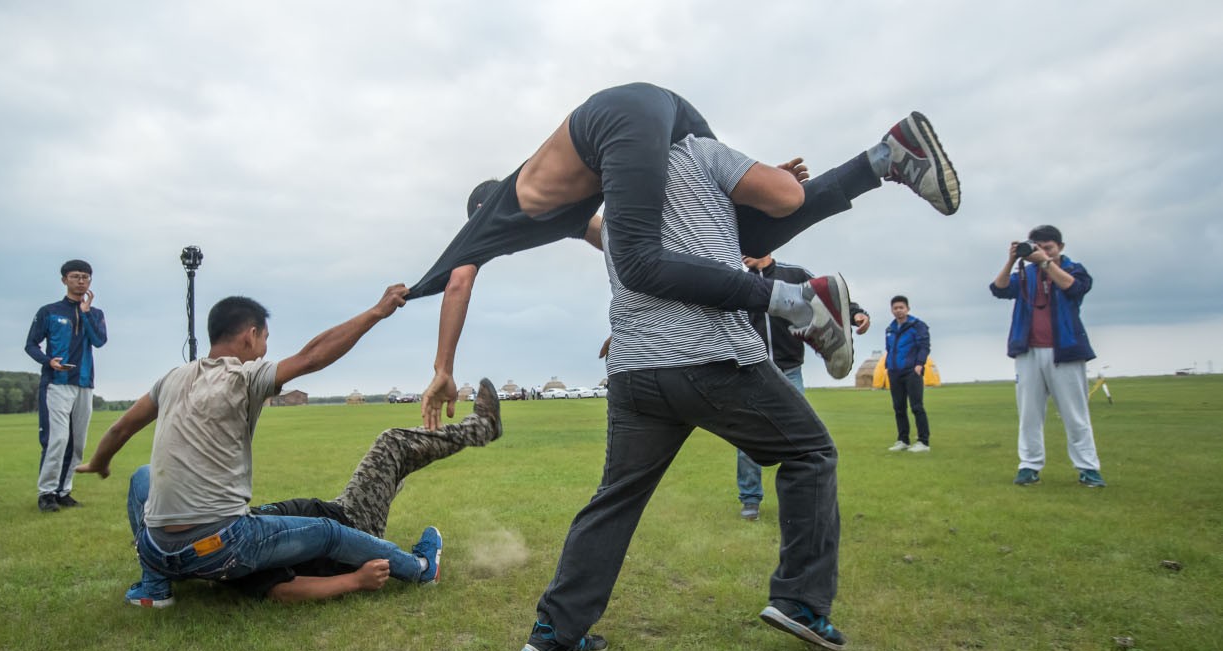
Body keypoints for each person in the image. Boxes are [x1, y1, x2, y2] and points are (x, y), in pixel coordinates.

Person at [409, 82, 960, 430]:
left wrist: (442, 368)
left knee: (643, 264)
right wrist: (634, 318)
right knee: (748, 232)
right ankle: (888, 155)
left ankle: (797, 302)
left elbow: (458, 283)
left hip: (617, 117)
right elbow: (610, 237)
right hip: (666, 111)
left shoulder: (492, 215)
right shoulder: (563, 208)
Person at [521, 133, 864, 651]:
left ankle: (555, 630)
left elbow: (593, 230)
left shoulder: (619, 200)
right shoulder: (698, 151)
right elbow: (782, 198)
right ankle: (800, 601)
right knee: (810, 452)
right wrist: (761, 183)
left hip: (635, 368)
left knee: (617, 495)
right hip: (710, 352)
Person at [75, 290, 451, 608]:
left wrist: (99, 461)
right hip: (222, 546)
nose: (265, 349)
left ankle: (154, 587)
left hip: (155, 547)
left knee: (142, 476)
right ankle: (420, 569)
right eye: (265, 339)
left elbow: (121, 426)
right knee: (327, 531)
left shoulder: (172, 378)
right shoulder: (244, 377)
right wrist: (376, 312)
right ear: (250, 336)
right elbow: (312, 357)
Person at [193, 378, 502, 603]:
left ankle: (462, 437)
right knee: (392, 444)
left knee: (395, 469)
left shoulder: (221, 531)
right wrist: (354, 580)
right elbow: (281, 590)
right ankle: (482, 428)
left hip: (336, 510)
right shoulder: (234, 554)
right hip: (351, 524)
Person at [735, 253, 871, 521]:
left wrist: (856, 314)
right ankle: (750, 500)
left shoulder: (794, 275)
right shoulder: (740, 282)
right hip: (753, 372)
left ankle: (798, 499)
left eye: (748, 245)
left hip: (790, 371)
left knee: (797, 436)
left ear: (765, 246)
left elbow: (826, 297)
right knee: (747, 438)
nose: (742, 251)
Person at [990, 225, 1105, 487]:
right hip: (1028, 351)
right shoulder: (1025, 273)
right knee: (1029, 414)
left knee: (1075, 414)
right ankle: (1029, 465)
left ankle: (1088, 467)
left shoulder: (1073, 269)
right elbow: (999, 288)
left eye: (1048, 247)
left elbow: (1074, 288)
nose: (1042, 252)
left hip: (1065, 350)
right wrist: (1012, 259)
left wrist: (1046, 263)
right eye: (1037, 247)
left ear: (1060, 247)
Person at [24, 259, 107, 512]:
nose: (81, 281)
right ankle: (46, 493)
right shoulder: (49, 311)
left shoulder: (96, 313)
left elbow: (100, 341)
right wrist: (49, 361)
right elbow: (30, 344)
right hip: (57, 383)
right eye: (75, 276)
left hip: (84, 383)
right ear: (64, 280)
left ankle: (64, 491)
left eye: (85, 277)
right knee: (57, 439)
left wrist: (85, 313)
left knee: (78, 442)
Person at [884, 296, 931, 452]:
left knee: (917, 406)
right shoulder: (889, 329)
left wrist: (920, 364)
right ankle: (903, 440)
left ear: (907, 309)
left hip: (912, 371)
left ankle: (923, 442)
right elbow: (889, 349)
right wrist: (887, 366)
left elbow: (924, 346)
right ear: (892, 310)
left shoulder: (917, 326)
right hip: (894, 372)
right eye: (895, 308)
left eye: (901, 307)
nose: (898, 310)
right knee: (899, 408)